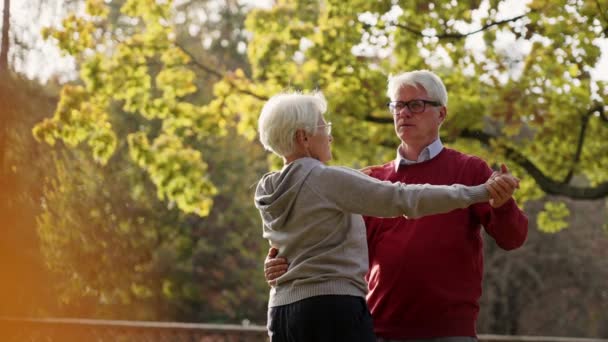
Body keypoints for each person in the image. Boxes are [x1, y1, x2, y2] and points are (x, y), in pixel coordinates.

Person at [264, 71, 529, 342]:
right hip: (379, 329)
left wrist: (503, 204)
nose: (404, 113)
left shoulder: (470, 170)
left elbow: (513, 238)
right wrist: (276, 260)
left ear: (441, 114)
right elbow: (323, 241)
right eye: (397, 106)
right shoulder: (369, 180)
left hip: (449, 331)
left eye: (415, 105)